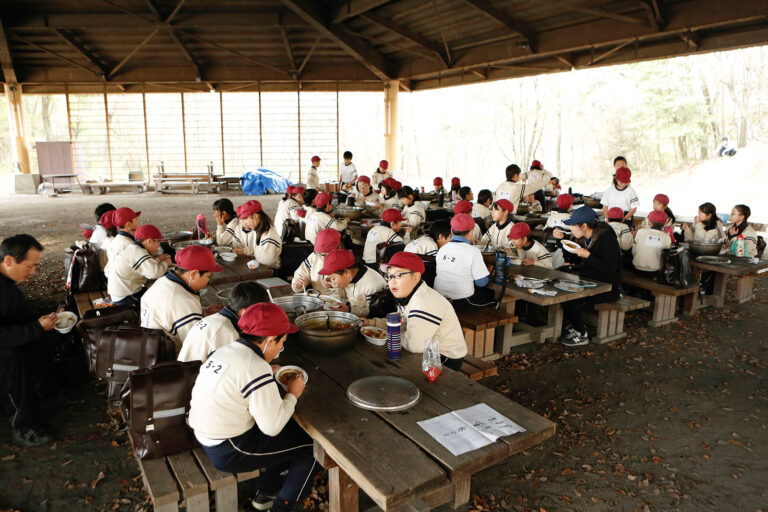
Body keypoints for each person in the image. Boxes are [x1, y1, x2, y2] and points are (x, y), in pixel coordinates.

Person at [188, 303, 317, 512]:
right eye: (281, 342)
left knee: (291, 434)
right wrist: (293, 393)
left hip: (206, 434)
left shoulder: (228, 349)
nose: (280, 350)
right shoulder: (254, 367)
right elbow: (272, 427)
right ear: (268, 340)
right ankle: (280, 508)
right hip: (228, 448)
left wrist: (265, 370)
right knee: (313, 448)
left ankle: (266, 492)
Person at [0, 234, 58, 446]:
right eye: (30, 266)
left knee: (41, 337)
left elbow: (17, 315)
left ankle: (42, 393)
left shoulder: (8, 285)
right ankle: (23, 426)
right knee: (10, 357)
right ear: (9, 261)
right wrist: (35, 327)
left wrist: (41, 321)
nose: (33, 272)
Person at [366, 252, 467, 370]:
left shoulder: (423, 301)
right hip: (427, 349)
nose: (392, 281)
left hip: (445, 358)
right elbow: (401, 322)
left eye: (398, 275)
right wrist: (371, 324)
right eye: (389, 276)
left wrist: (389, 335)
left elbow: (414, 345)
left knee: (385, 365)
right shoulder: (410, 295)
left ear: (416, 277)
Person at [553, 207, 622, 346]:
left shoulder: (606, 239)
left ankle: (581, 333)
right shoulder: (591, 235)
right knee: (560, 287)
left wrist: (588, 256)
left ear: (584, 225)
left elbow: (609, 270)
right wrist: (562, 240)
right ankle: (575, 325)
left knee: (570, 297)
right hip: (591, 282)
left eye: (573, 225)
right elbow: (582, 257)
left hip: (608, 288)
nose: (571, 229)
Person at [141, 246, 222, 352]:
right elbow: (196, 346)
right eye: (208, 276)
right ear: (193, 274)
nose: (208, 281)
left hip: (148, 346)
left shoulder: (162, 281)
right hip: (168, 359)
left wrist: (203, 312)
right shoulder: (184, 301)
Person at [178, 282, 266, 363]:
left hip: (185, 371)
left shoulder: (214, 319)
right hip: (193, 377)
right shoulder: (227, 332)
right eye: (258, 314)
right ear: (244, 312)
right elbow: (228, 368)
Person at [434, 214, 493, 310]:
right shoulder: (473, 251)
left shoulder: (442, 249)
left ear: (451, 231)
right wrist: (488, 272)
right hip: (461, 301)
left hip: (439, 298)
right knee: (492, 298)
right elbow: (481, 283)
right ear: (471, 232)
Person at [107, 224, 172, 310]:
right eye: (158, 243)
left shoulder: (134, 248)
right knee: (163, 299)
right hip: (126, 298)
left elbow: (146, 263)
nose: (158, 247)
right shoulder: (137, 252)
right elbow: (154, 273)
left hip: (121, 294)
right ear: (149, 241)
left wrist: (158, 259)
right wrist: (166, 263)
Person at [318, 249, 387, 317]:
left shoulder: (372, 286)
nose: (332, 281)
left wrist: (349, 309)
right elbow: (345, 296)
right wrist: (332, 285)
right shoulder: (351, 275)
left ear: (347, 273)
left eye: (333, 278)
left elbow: (372, 314)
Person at [231, 200, 282, 269]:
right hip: (261, 268)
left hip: (269, 271)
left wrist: (251, 261)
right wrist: (245, 251)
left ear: (255, 216)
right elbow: (259, 251)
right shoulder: (259, 230)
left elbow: (267, 262)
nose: (245, 223)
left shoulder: (269, 235)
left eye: (246, 218)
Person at [291, 229, 342, 293]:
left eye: (327, 255)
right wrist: (299, 284)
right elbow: (302, 273)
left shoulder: (346, 261)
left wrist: (333, 285)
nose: (323, 258)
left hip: (337, 300)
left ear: (338, 249)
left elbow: (350, 293)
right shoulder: (314, 257)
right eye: (320, 254)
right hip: (316, 298)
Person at [632, 210, 672, 278]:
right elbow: (666, 255)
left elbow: (634, 251)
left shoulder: (640, 232)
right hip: (655, 270)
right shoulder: (666, 237)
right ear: (665, 223)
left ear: (649, 222)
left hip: (637, 267)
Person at [106, 207, 141, 273]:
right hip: (126, 282)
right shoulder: (130, 244)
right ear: (128, 224)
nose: (137, 222)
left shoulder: (115, 240)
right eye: (135, 219)